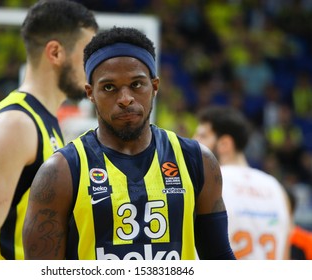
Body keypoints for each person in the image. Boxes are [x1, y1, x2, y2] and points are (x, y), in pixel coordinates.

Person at [22, 26, 236, 260]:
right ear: (90, 93)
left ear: (154, 86)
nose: (125, 99)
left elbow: (220, 259)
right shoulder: (61, 171)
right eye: (109, 87)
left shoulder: (197, 160)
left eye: (136, 84)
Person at [0, 0, 98, 260]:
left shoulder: (45, 121)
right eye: (86, 54)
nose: (92, 67)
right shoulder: (16, 124)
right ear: (55, 53)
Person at [193, 105, 292, 259]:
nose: (194, 142)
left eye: (202, 136)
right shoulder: (277, 188)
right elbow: (285, 257)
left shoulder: (207, 182)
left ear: (224, 144)